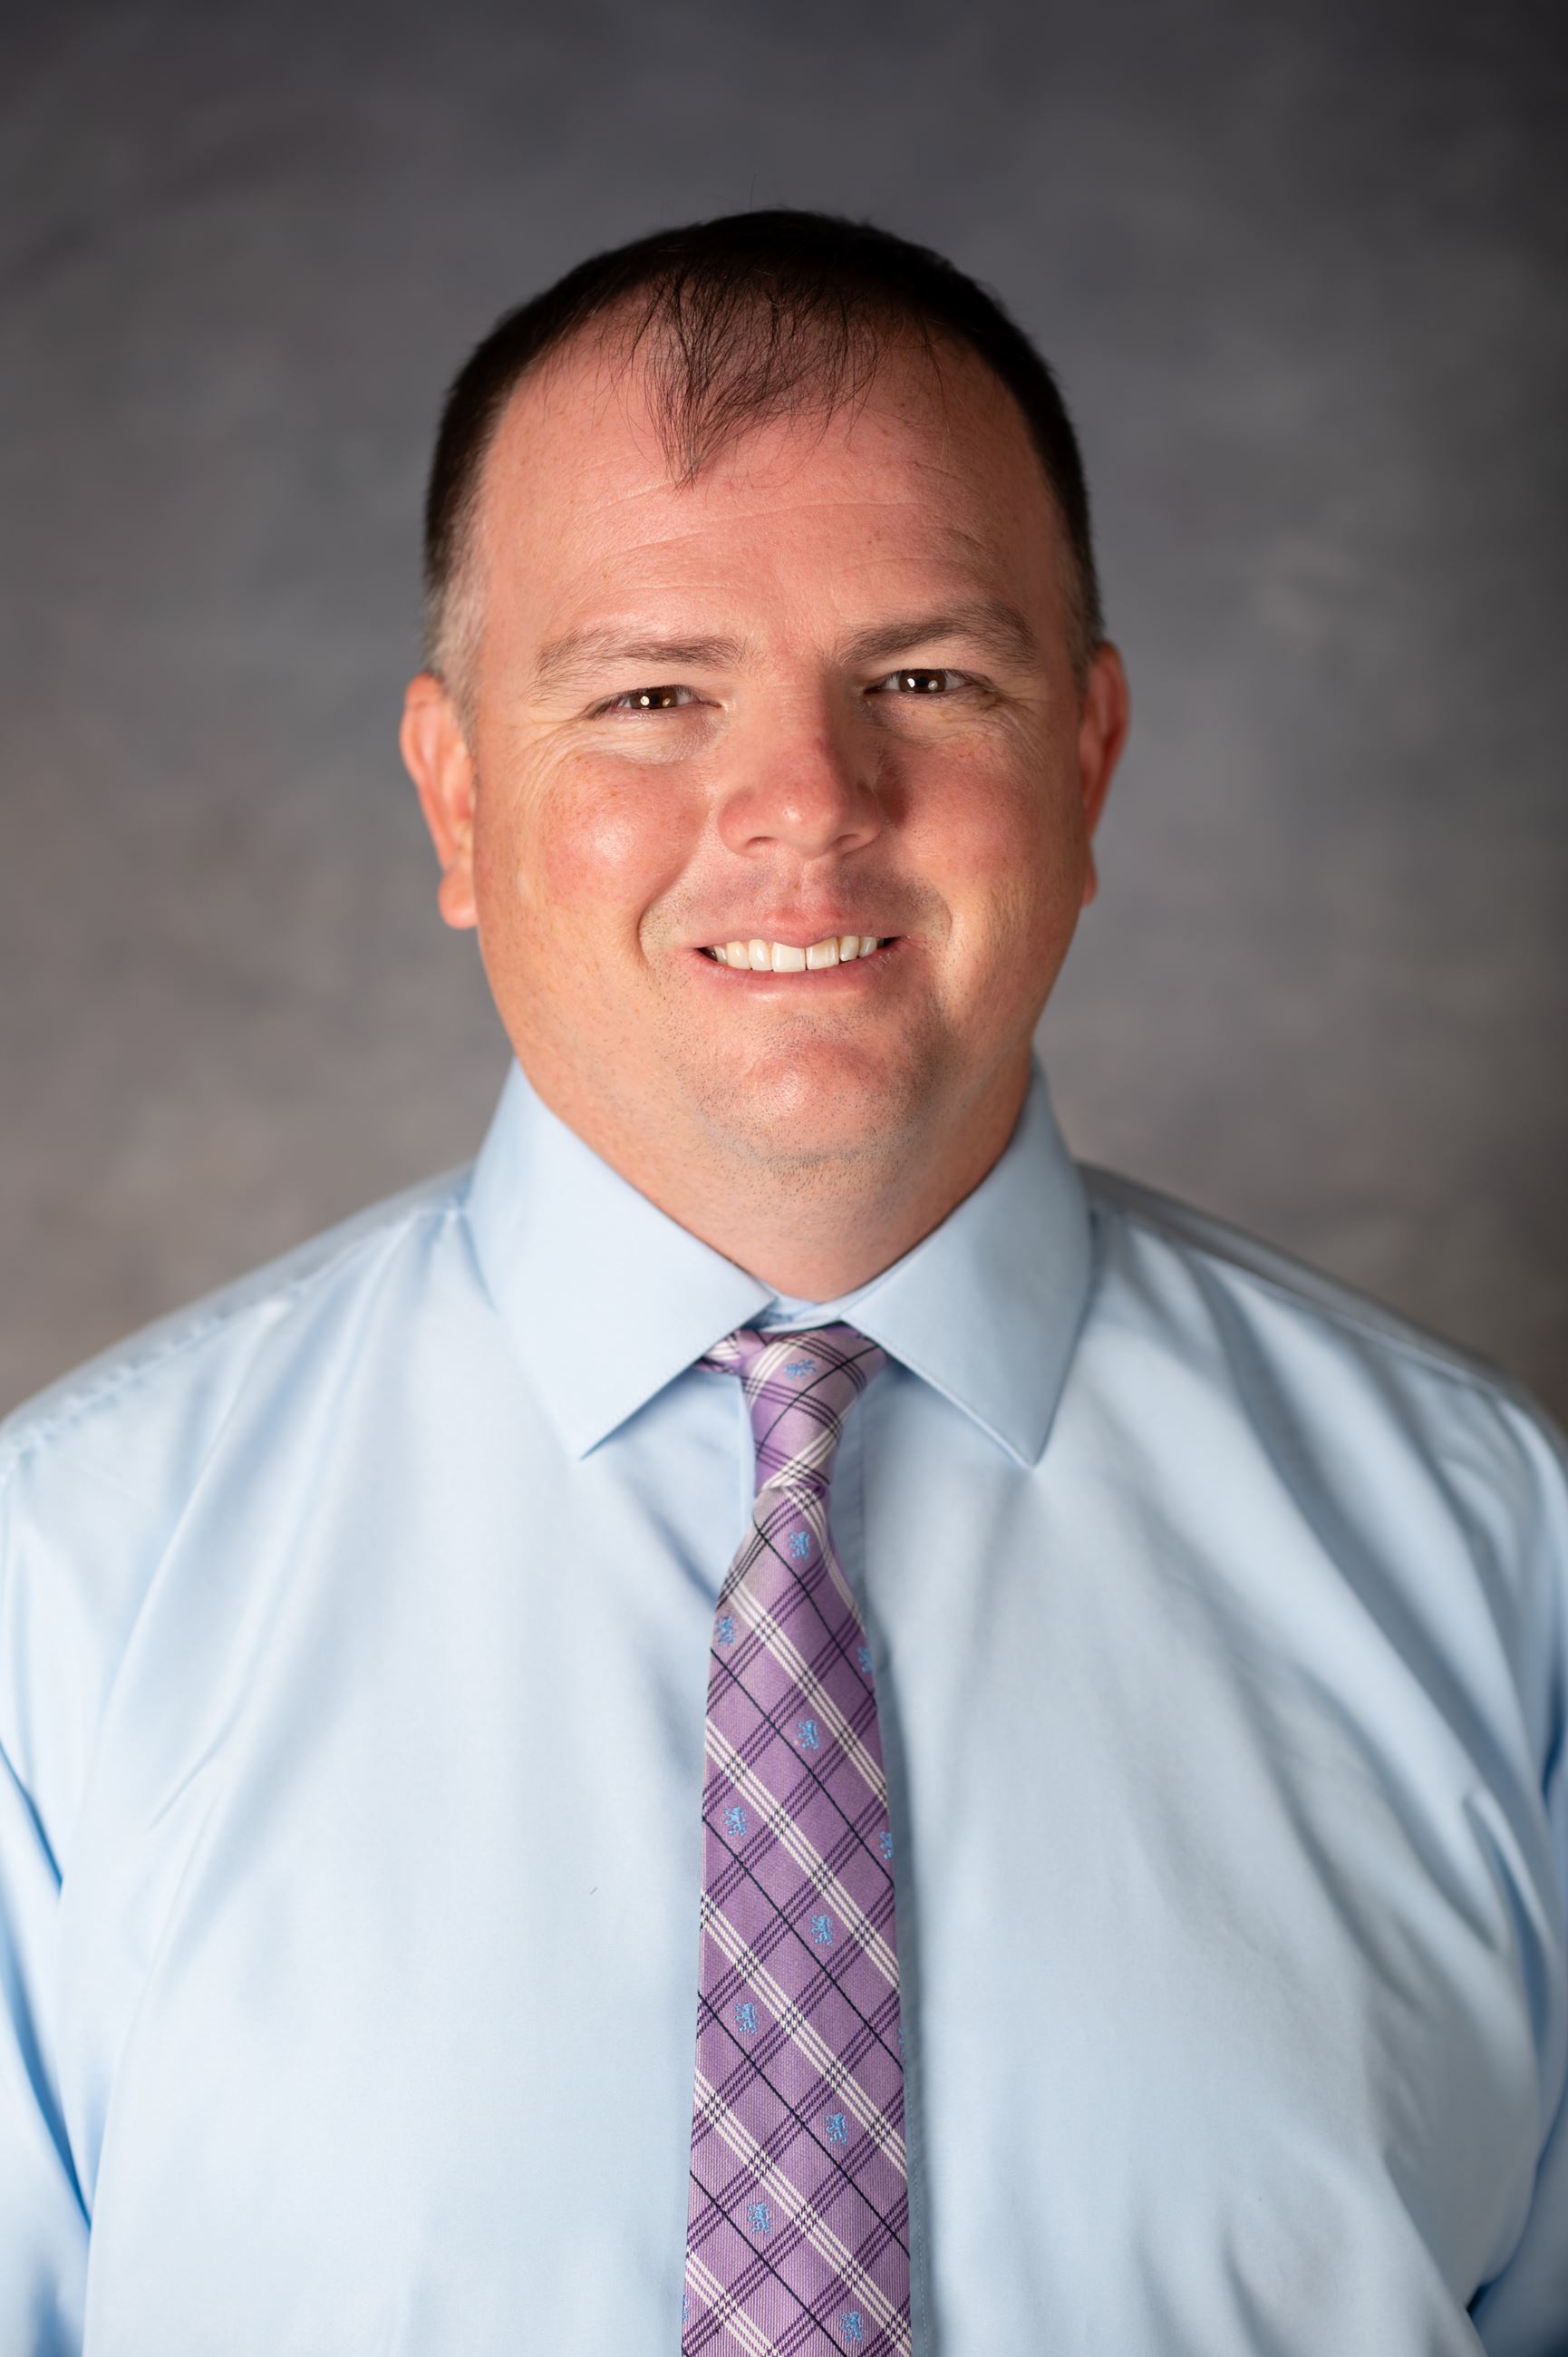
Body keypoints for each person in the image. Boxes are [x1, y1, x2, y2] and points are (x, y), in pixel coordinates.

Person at [1, 209, 1563, 2357]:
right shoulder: (62, 1596)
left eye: (925, 677)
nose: (806, 807)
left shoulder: (1501, 1566)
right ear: (458, 794)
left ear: (1085, 763)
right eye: (651, 694)